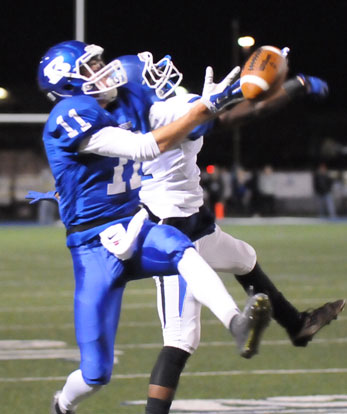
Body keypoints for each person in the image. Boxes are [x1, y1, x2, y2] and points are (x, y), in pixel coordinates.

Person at [37, 40, 273, 414]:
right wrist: (203, 111)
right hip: (93, 246)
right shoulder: (70, 114)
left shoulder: (127, 98)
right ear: (67, 84)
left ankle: (236, 324)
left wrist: (220, 98)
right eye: (89, 66)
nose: (101, 68)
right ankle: (62, 405)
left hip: (134, 222)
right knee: (96, 374)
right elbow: (145, 147)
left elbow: (172, 115)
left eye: (99, 59)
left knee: (182, 248)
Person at [113, 53, 345, 414]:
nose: (160, 75)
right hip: (171, 234)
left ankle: (297, 325)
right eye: (149, 74)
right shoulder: (171, 111)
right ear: (138, 88)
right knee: (180, 341)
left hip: (194, 220)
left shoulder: (121, 123)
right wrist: (293, 87)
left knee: (244, 256)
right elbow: (246, 112)